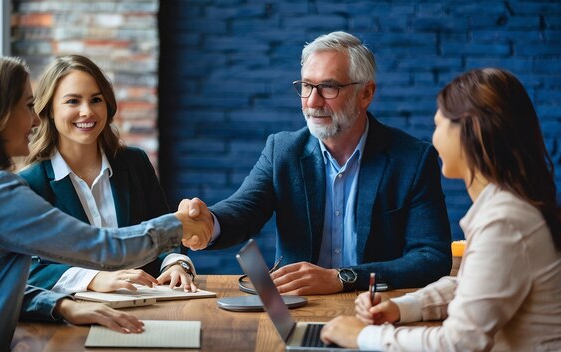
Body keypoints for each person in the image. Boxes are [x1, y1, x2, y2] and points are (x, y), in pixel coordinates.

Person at [0, 50, 211, 351]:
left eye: (96, 99)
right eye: (28, 106)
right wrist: (177, 224)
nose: (34, 120)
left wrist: (61, 306)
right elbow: (105, 248)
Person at [188, 31, 452, 294]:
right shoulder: (283, 150)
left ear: (366, 93)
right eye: (306, 86)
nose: (312, 102)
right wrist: (208, 222)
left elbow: (432, 257)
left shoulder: (412, 159)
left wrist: (342, 278)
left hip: (375, 312)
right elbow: (244, 209)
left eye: (328, 87)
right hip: (298, 308)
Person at [320, 68, 561, 351]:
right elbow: (473, 286)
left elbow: (458, 343)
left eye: (439, 125)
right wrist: (401, 307)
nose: (433, 139)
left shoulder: (505, 221)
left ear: (472, 130)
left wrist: (360, 337)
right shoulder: (509, 206)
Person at [18, 55, 198, 327]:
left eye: (96, 99)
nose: (87, 112)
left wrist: (174, 264)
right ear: (49, 110)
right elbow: (26, 270)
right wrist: (93, 278)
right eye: (72, 101)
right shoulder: (31, 182)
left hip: (149, 311)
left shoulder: (135, 163)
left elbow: (166, 237)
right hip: (73, 322)